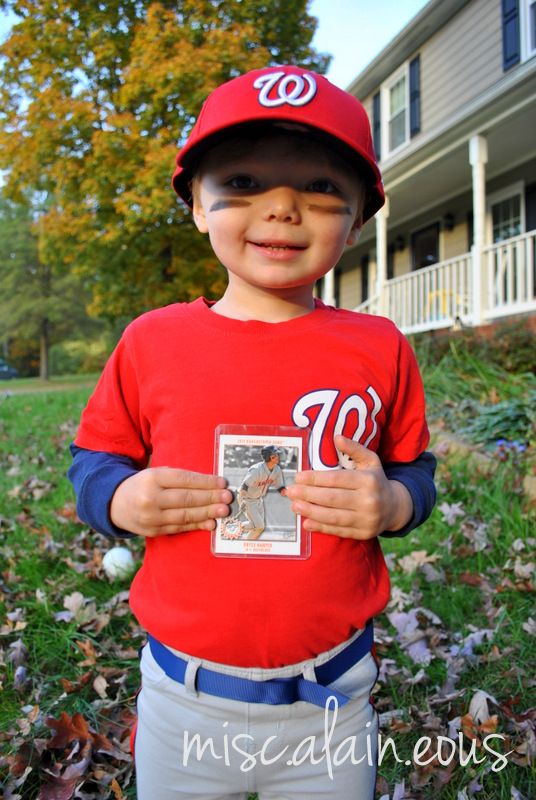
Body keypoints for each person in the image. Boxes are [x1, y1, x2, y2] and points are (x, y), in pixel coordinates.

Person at [68, 65, 437, 800]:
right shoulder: (152, 340)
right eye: (241, 182)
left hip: (332, 697)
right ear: (197, 206)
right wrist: (119, 500)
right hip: (183, 699)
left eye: (321, 188)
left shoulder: (380, 345)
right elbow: (92, 460)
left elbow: (413, 469)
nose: (282, 209)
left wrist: (394, 505)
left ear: (359, 216)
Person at [237, 446, 287, 540]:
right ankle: (231, 529)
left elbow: (280, 486)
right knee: (259, 526)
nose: (277, 457)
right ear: (268, 457)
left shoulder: (277, 469)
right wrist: (243, 500)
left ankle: (245, 543)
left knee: (258, 527)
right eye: (274, 456)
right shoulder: (256, 469)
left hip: (258, 499)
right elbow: (244, 486)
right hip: (246, 498)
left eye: (277, 455)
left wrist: (285, 491)